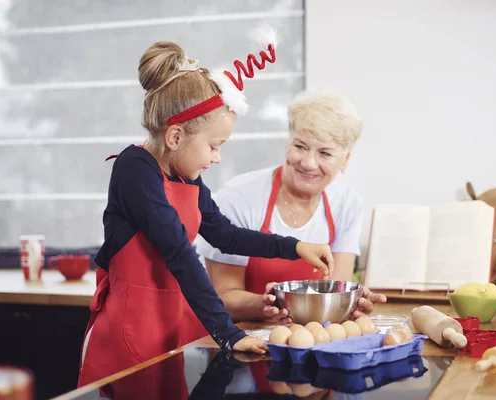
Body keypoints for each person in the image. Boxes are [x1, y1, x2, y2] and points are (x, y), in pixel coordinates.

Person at [77, 30, 335, 387]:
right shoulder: (135, 169)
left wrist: (294, 247)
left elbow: (224, 234)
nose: (217, 157)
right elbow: (179, 253)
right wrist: (228, 334)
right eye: (214, 146)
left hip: (169, 330)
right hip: (129, 336)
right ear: (176, 137)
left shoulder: (185, 176)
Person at [196, 90, 386, 326]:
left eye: (325, 153)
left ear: (345, 160)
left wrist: (350, 303)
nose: (308, 163)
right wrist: (271, 305)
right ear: (287, 145)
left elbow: (336, 289)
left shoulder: (346, 204)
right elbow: (222, 298)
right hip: (242, 338)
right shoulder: (238, 198)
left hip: (312, 339)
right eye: (300, 146)